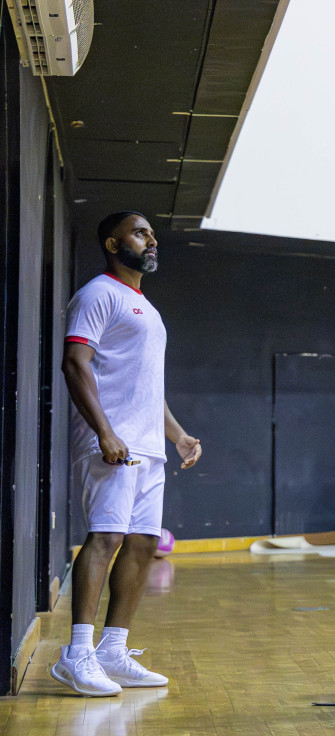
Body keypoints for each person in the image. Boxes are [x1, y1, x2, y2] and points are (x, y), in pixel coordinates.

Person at [52, 212, 203, 697]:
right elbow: (75, 364)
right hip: (110, 442)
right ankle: (77, 654)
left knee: (142, 543)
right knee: (107, 537)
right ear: (114, 244)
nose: (152, 240)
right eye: (142, 233)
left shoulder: (147, 309)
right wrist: (105, 432)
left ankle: (112, 652)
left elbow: (147, 388)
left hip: (147, 447)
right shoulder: (98, 294)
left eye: (153, 235)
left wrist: (176, 434)